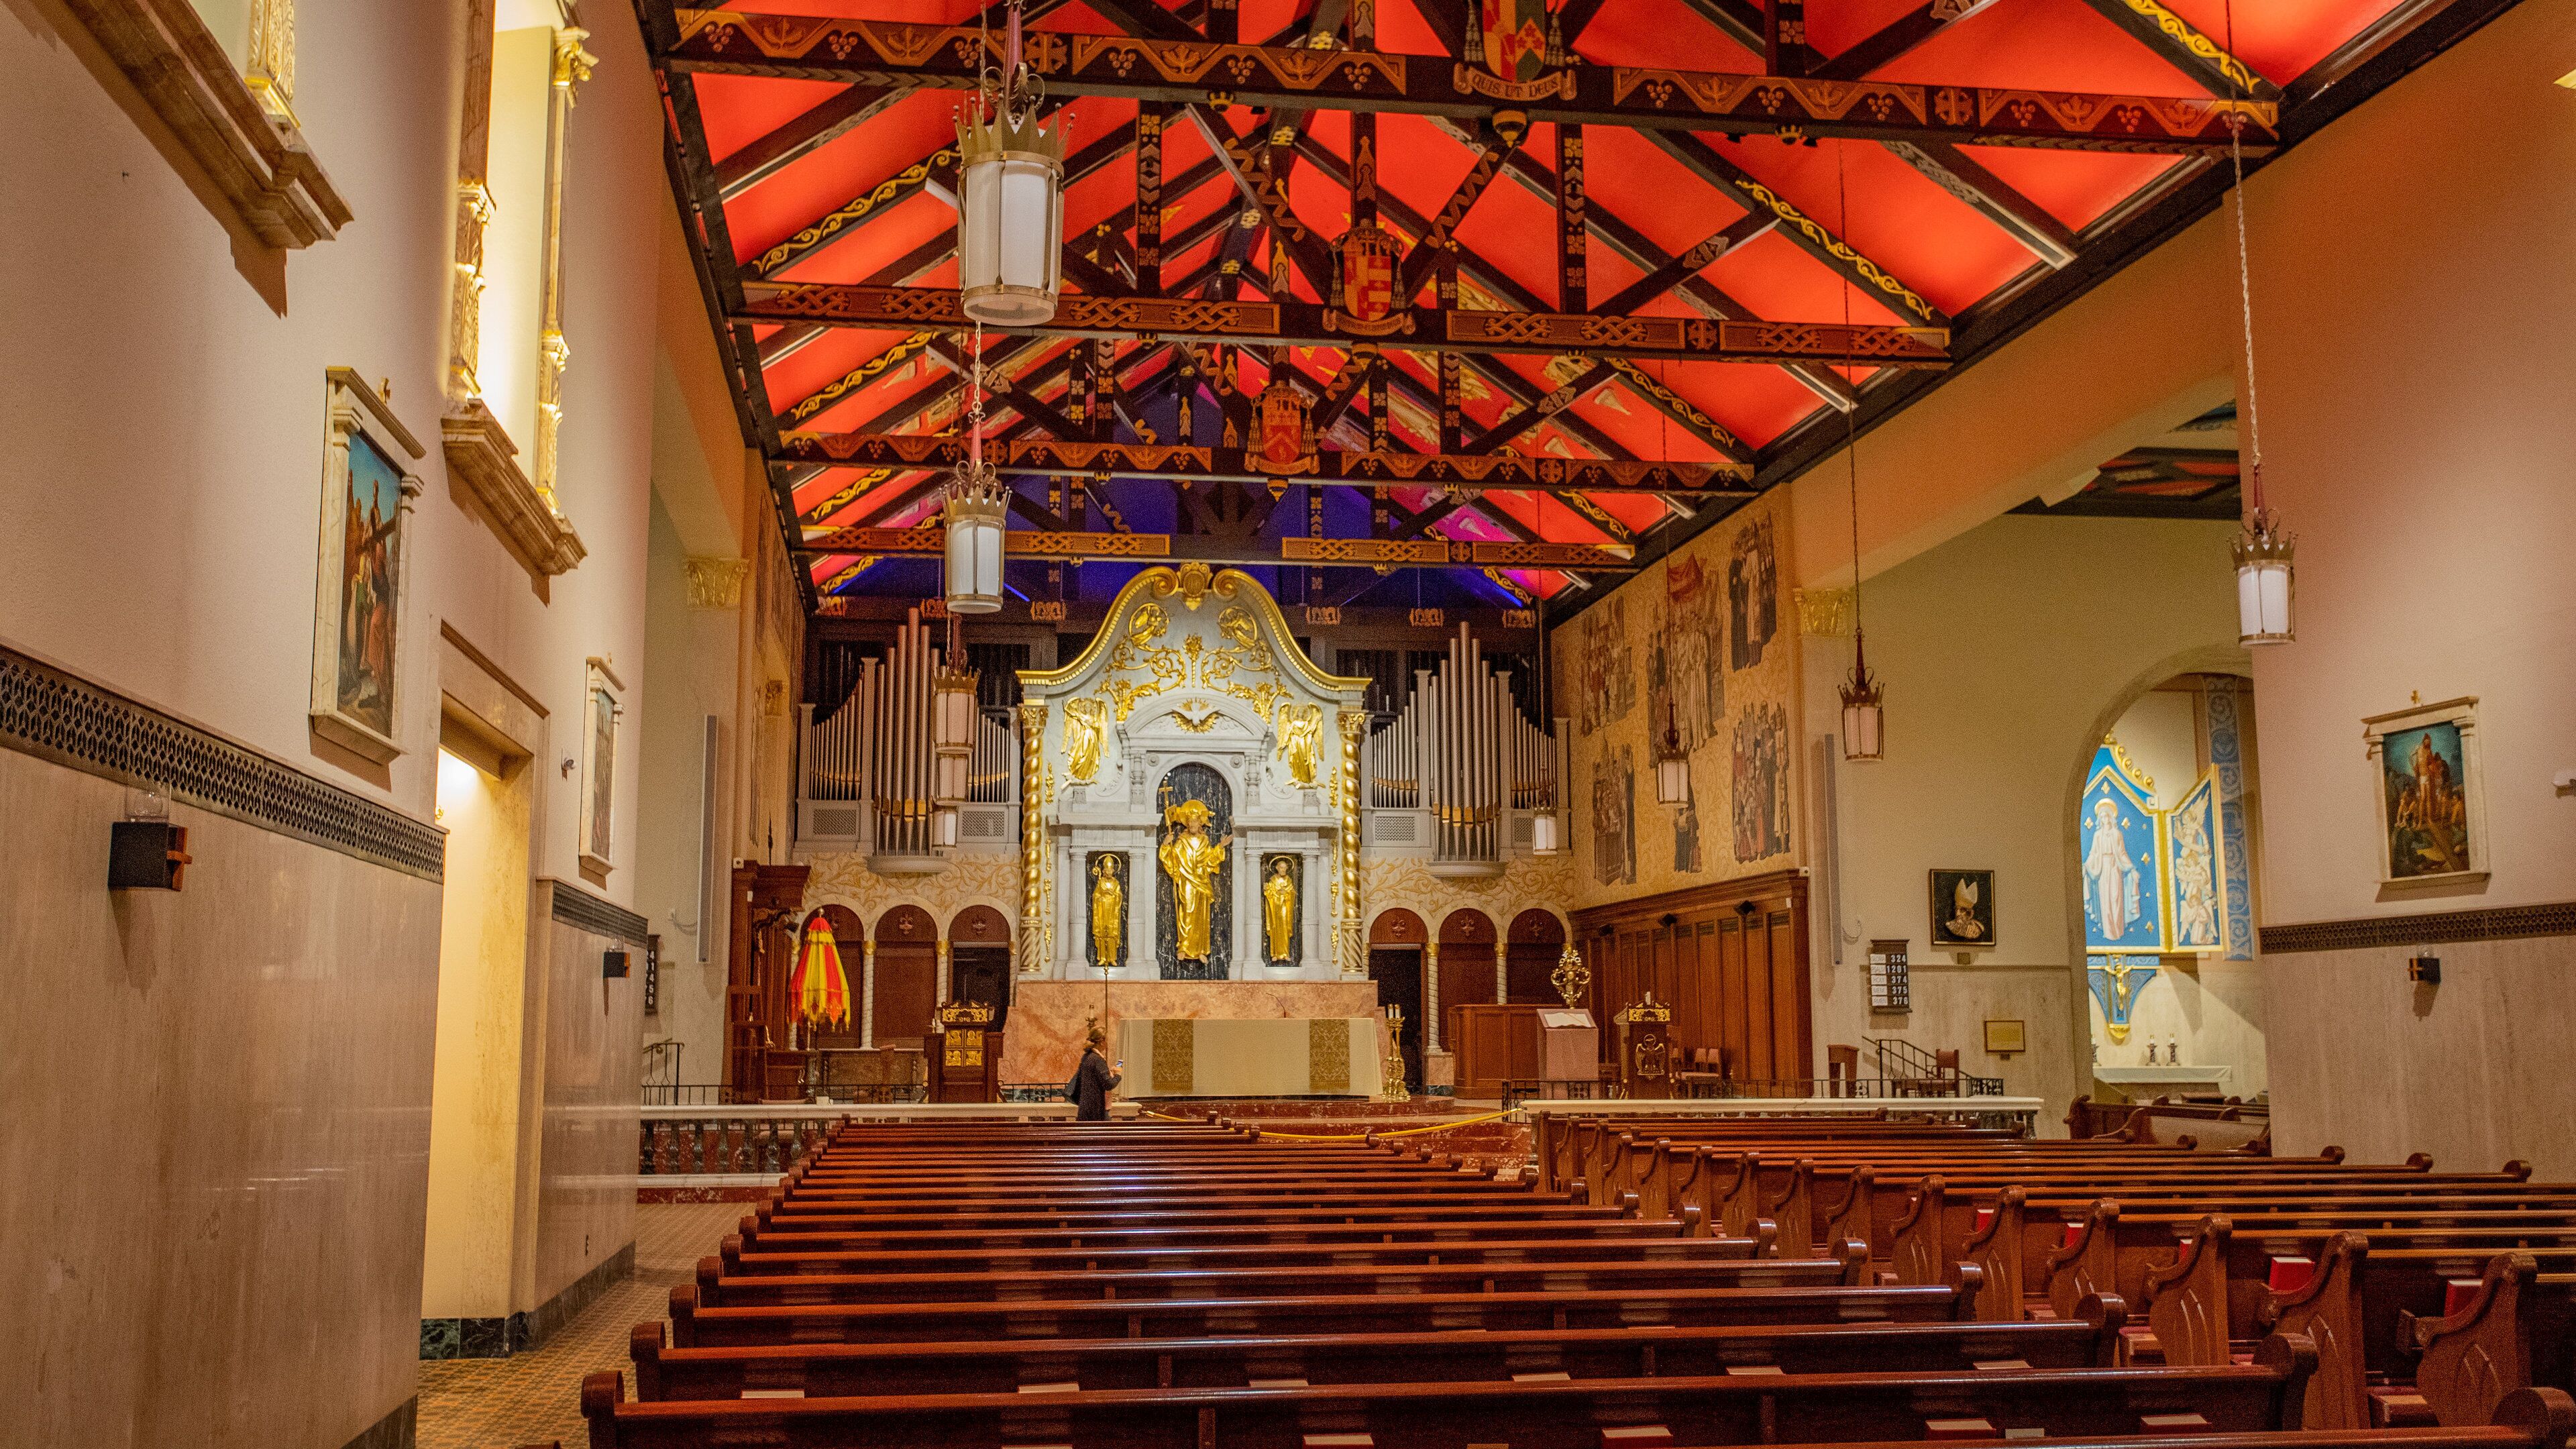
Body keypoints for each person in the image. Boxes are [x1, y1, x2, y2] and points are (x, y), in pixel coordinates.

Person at [1067, 1027, 1122, 1121]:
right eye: (1107, 1040)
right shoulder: (1097, 1060)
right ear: (1102, 1041)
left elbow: (1095, 1079)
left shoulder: (1086, 1057)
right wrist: (1118, 1075)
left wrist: (1109, 1073)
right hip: (1095, 1109)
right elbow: (1109, 1085)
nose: (1107, 1043)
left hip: (1085, 1106)